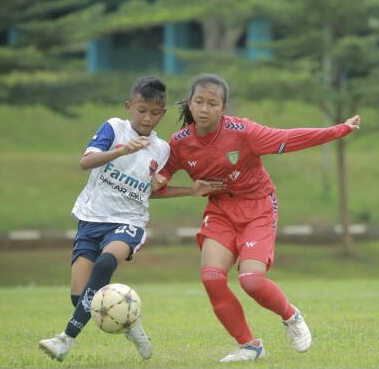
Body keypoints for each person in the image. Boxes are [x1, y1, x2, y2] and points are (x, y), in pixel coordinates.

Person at [151, 72, 361, 363]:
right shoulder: (179, 143)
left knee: (251, 280)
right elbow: (154, 188)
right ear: (189, 103)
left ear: (224, 108)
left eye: (212, 103)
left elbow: (289, 138)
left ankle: (291, 316)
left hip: (258, 207)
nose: (203, 108)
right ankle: (250, 345)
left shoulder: (244, 132)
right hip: (220, 210)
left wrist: (339, 129)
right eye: (198, 101)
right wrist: (168, 184)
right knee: (212, 277)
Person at [38, 76, 193, 362]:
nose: (148, 118)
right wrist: (123, 150)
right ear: (129, 106)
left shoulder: (162, 149)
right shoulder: (114, 128)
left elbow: (151, 191)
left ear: (163, 114)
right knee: (83, 299)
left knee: (107, 262)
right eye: (142, 110)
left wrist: (189, 189)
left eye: (155, 113)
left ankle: (64, 340)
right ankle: (131, 323)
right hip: (90, 219)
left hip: (129, 222)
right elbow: (85, 162)